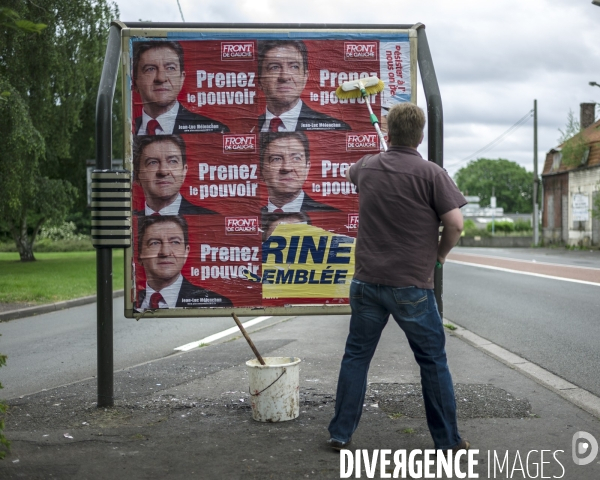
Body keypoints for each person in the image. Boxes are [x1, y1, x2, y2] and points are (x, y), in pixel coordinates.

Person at [327, 103, 469, 455]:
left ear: (388, 134)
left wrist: (380, 159)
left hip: (367, 284)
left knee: (356, 357)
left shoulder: (367, 167)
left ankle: (341, 433)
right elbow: (455, 224)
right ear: (421, 136)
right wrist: (440, 255)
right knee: (432, 360)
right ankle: (447, 441)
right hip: (412, 288)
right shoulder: (432, 174)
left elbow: (350, 173)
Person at [136, 215, 232, 310]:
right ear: (139, 254)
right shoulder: (132, 302)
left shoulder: (218, 305)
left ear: (186, 252)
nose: (165, 252)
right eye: (155, 243)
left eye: (175, 242)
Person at [133, 41, 229, 135]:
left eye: (170, 68)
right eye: (150, 69)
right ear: (135, 83)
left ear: (182, 78)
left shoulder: (215, 131)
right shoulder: (128, 130)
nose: (161, 78)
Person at [257, 40, 350, 132]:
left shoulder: (337, 129)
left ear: (305, 77)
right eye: (274, 67)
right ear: (259, 80)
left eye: (294, 67)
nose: (285, 77)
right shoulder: (248, 126)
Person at [133, 135, 216, 216]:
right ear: (137, 176)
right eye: (153, 162)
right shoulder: (130, 221)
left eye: (173, 161)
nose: (163, 171)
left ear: (184, 171)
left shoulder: (210, 218)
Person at [260, 132, 338, 213]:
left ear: (307, 168)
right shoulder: (252, 214)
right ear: (261, 171)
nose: (287, 168)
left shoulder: (329, 214)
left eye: (296, 158)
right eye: (276, 159)